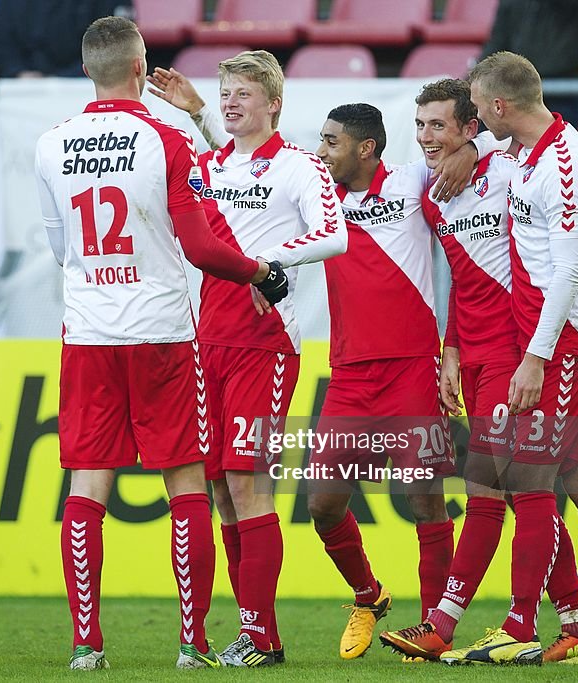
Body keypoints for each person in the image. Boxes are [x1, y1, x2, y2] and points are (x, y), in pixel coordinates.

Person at [167, 78, 482, 659]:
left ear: (365, 148)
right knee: (322, 504)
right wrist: (204, 116)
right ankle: (369, 594)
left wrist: (471, 145)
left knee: (425, 499)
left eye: (331, 143)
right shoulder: (318, 195)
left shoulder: (412, 183)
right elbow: (245, 178)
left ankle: (440, 631)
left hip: (413, 366)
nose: (321, 152)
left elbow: (471, 156)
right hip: (350, 375)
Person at [34, 17, 287, 671]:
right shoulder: (166, 140)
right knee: (185, 484)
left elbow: (60, 247)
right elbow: (203, 247)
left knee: (88, 484)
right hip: (164, 334)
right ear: (142, 71)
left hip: (88, 330)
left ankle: (87, 646)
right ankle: (191, 644)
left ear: (88, 70)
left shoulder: (51, 144)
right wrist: (261, 271)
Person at [445, 51, 578, 665]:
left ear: (501, 106)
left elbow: (566, 269)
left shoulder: (566, 167)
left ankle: (518, 627)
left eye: (481, 111)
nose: (477, 121)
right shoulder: (526, 151)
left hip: (567, 341)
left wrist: (535, 358)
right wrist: (471, 150)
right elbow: (497, 151)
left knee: (528, 480)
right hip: (560, 338)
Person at [378, 79, 578, 662]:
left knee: (501, 491)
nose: (427, 137)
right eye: (420, 125)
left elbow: (523, 151)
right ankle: (575, 620)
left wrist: (478, 152)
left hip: (513, 354)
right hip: (471, 357)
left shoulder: (507, 170)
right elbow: (460, 277)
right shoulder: (432, 198)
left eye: (440, 125)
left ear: (471, 127)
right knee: (511, 490)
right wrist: (450, 349)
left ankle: (450, 624)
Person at [148, 50, 348, 667]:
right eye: (225, 91)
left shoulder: (300, 167)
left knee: (248, 483)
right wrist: (200, 114)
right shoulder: (209, 165)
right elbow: (219, 203)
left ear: (274, 103)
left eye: (243, 93)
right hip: (209, 339)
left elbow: (334, 234)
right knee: (221, 490)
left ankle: (260, 636)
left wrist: (273, 266)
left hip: (266, 346)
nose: (232, 101)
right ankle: (256, 633)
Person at [480, 0, 578, 129]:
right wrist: (476, 77)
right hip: (519, 85)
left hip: (562, 90)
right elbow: (498, 41)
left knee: (557, 141)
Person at [0, 0, 134, 78]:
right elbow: (0, 40)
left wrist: (61, 78)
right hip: (22, 88)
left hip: (85, 86)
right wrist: (18, 72)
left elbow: (113, 43)